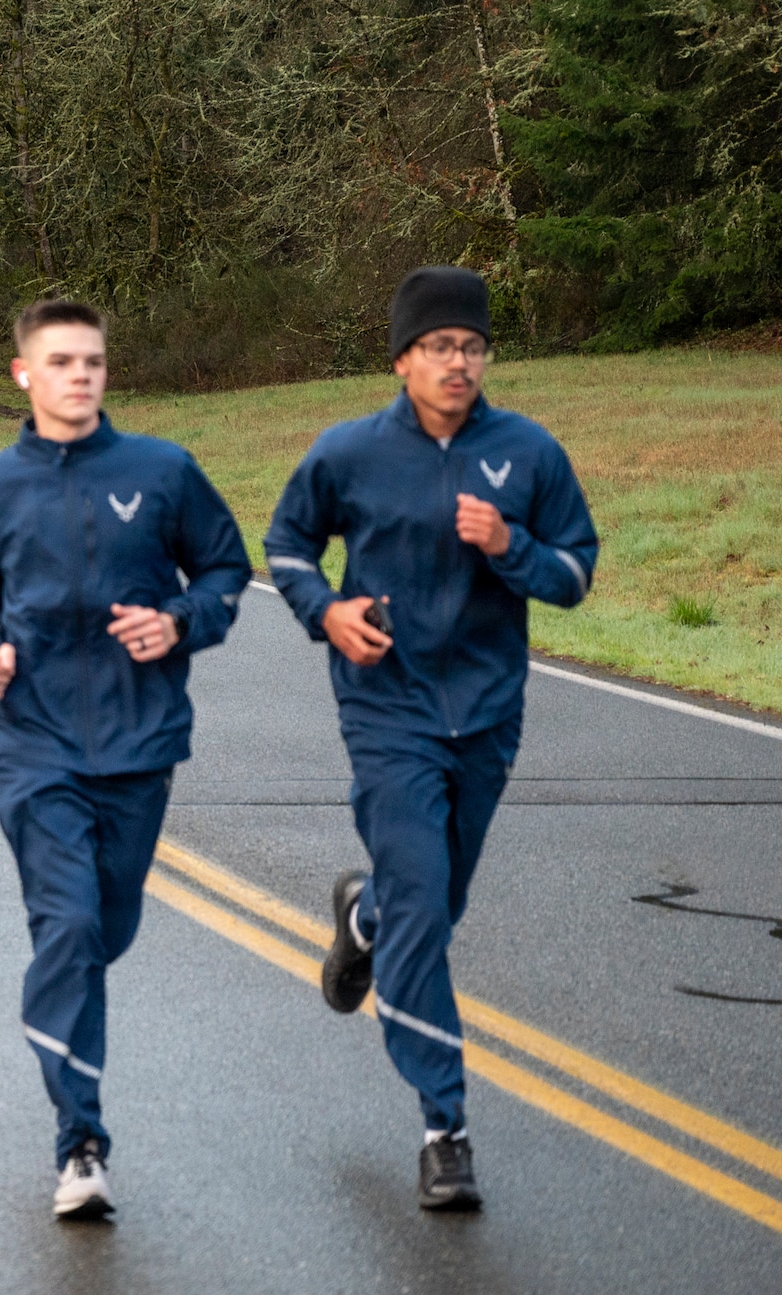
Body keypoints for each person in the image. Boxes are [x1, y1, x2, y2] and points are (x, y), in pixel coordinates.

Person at [264, 266, 599, 1212]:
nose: (459, 362)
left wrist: (511, 548)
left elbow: (575, 573)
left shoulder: (528, 453)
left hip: (487, 715)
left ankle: (363, 917)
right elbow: (286, 544)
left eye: (473, 346)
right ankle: (443, 1127)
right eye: (440, 347)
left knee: (429, 908)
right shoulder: (351, 453)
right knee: (426, 919)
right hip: (388, 712)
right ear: (403, 357)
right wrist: (325, 611)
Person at [0, 300, 251, 1221]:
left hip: (139, 741)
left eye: (95, 361)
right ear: (24, 374)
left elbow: (228, 572)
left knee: (103, 933)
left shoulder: (162, 473)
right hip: (33, 744)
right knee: (71, 932)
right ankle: (79, 1143)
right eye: (63, 361)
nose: (82, 375)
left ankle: (68, 1002)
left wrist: (181, 622)